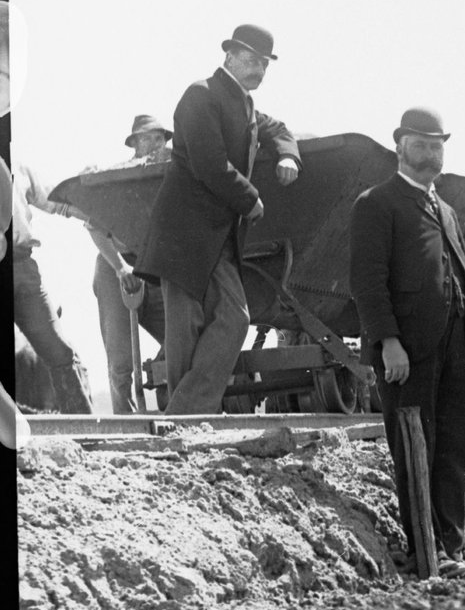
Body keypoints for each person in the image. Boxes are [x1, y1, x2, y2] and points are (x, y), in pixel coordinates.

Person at [349, 108, 465, 578]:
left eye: (436, 145)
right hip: (407, 352)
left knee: (455, 446)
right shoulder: (376, 203)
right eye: (420, 144)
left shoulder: (446, 210)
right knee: (416, 448)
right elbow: (368, 283)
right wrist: (388, 342)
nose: (430, 153)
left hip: (454, 345)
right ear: (399, 145)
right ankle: (425, 554)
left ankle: (451, 549)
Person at [136, 24, 301, 414]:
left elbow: (277, 128)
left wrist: (288, 154)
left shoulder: (244, 105)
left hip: (216, 238)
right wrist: (251, 199)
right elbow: (210, 164)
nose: (258, 68)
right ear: (228, 56)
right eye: (251, 59)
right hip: (184, 233)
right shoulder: (201, 95)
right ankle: (186, 420)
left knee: (233, 318)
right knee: (185, 331)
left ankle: (184, 413)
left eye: (264, 63)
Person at [81, 115, 174, 412]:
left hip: (156, 268)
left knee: (181, 340)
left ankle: (174, 406)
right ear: (134, 143)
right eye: (148, 138)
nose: (156, 143)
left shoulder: (173, 176)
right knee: (121, 361)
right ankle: (126, 422)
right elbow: (96, 227)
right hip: (116, 266)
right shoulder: (117, 176)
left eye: (160, 138)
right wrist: (120, 268)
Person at [11, 161, 97, 414]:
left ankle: (85, 430)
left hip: (23, 266)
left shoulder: (18, 167)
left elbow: (56, 200)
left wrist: (93, 201)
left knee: (59, 350)